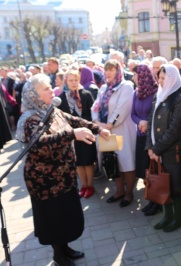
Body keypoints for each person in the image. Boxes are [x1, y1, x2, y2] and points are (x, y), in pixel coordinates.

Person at [15, 74, 110, 266]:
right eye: (46, 89)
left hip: (64, 176)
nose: (52, 90)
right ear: (34, 94)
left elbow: (74, 120)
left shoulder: (52, 110)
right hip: (45, 181)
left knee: (65, 217)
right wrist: (72, 134)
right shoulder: (29, 119)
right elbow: (39, 144)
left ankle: (65, 249)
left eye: (51, 86)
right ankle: (58, 256)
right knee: (54, 220)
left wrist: (97, 129)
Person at [145, 64, 181, 232]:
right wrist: (149, 147)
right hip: (157, 151)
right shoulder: (158, 96)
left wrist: (157, 149)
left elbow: (173, 128)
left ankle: (178, 218)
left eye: (163, 78)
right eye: (159, 78)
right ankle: (167, 216)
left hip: (172, 152)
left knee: (174, 187)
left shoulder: (180, 99)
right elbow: (150, 123)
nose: (160, 82)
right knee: (163, 186)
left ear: (171, 79)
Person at [92, 59, 137, 208]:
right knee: (113, 162)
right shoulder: (103, 88)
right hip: (105, 131)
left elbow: (122, 109)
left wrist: (109, 124)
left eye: (111, 70)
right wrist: (97, 123)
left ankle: (129, 193)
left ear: (118, 71)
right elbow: (95, 107)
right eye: (106, 70)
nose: (108, 72)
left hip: (121, 130)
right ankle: (119, 191)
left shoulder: (126, 87)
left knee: (126, 162)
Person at [58, 70, 97, 199]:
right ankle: (84, 185)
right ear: (66, 82)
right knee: (78, 162)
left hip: (86, 133)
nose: (73, 83)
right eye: (70, 80)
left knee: (88, 161)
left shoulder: (86, 94)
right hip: (72, 135)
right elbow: (61, 117)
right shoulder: (62, 98)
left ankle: (90, 185)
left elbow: (91, 114)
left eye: (75, 79)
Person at [130, 64, 159, 215]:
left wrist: (147, 122)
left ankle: (156, 201)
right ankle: (150, 199)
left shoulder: (156, 92)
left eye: (135, 75)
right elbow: (132, 114)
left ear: (142, 76)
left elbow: (157, 113)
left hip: (152, 137)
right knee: (145, 171)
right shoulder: (136, 93)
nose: (133, 77)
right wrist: (139, 122)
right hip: (140, 136)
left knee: (153, 170)